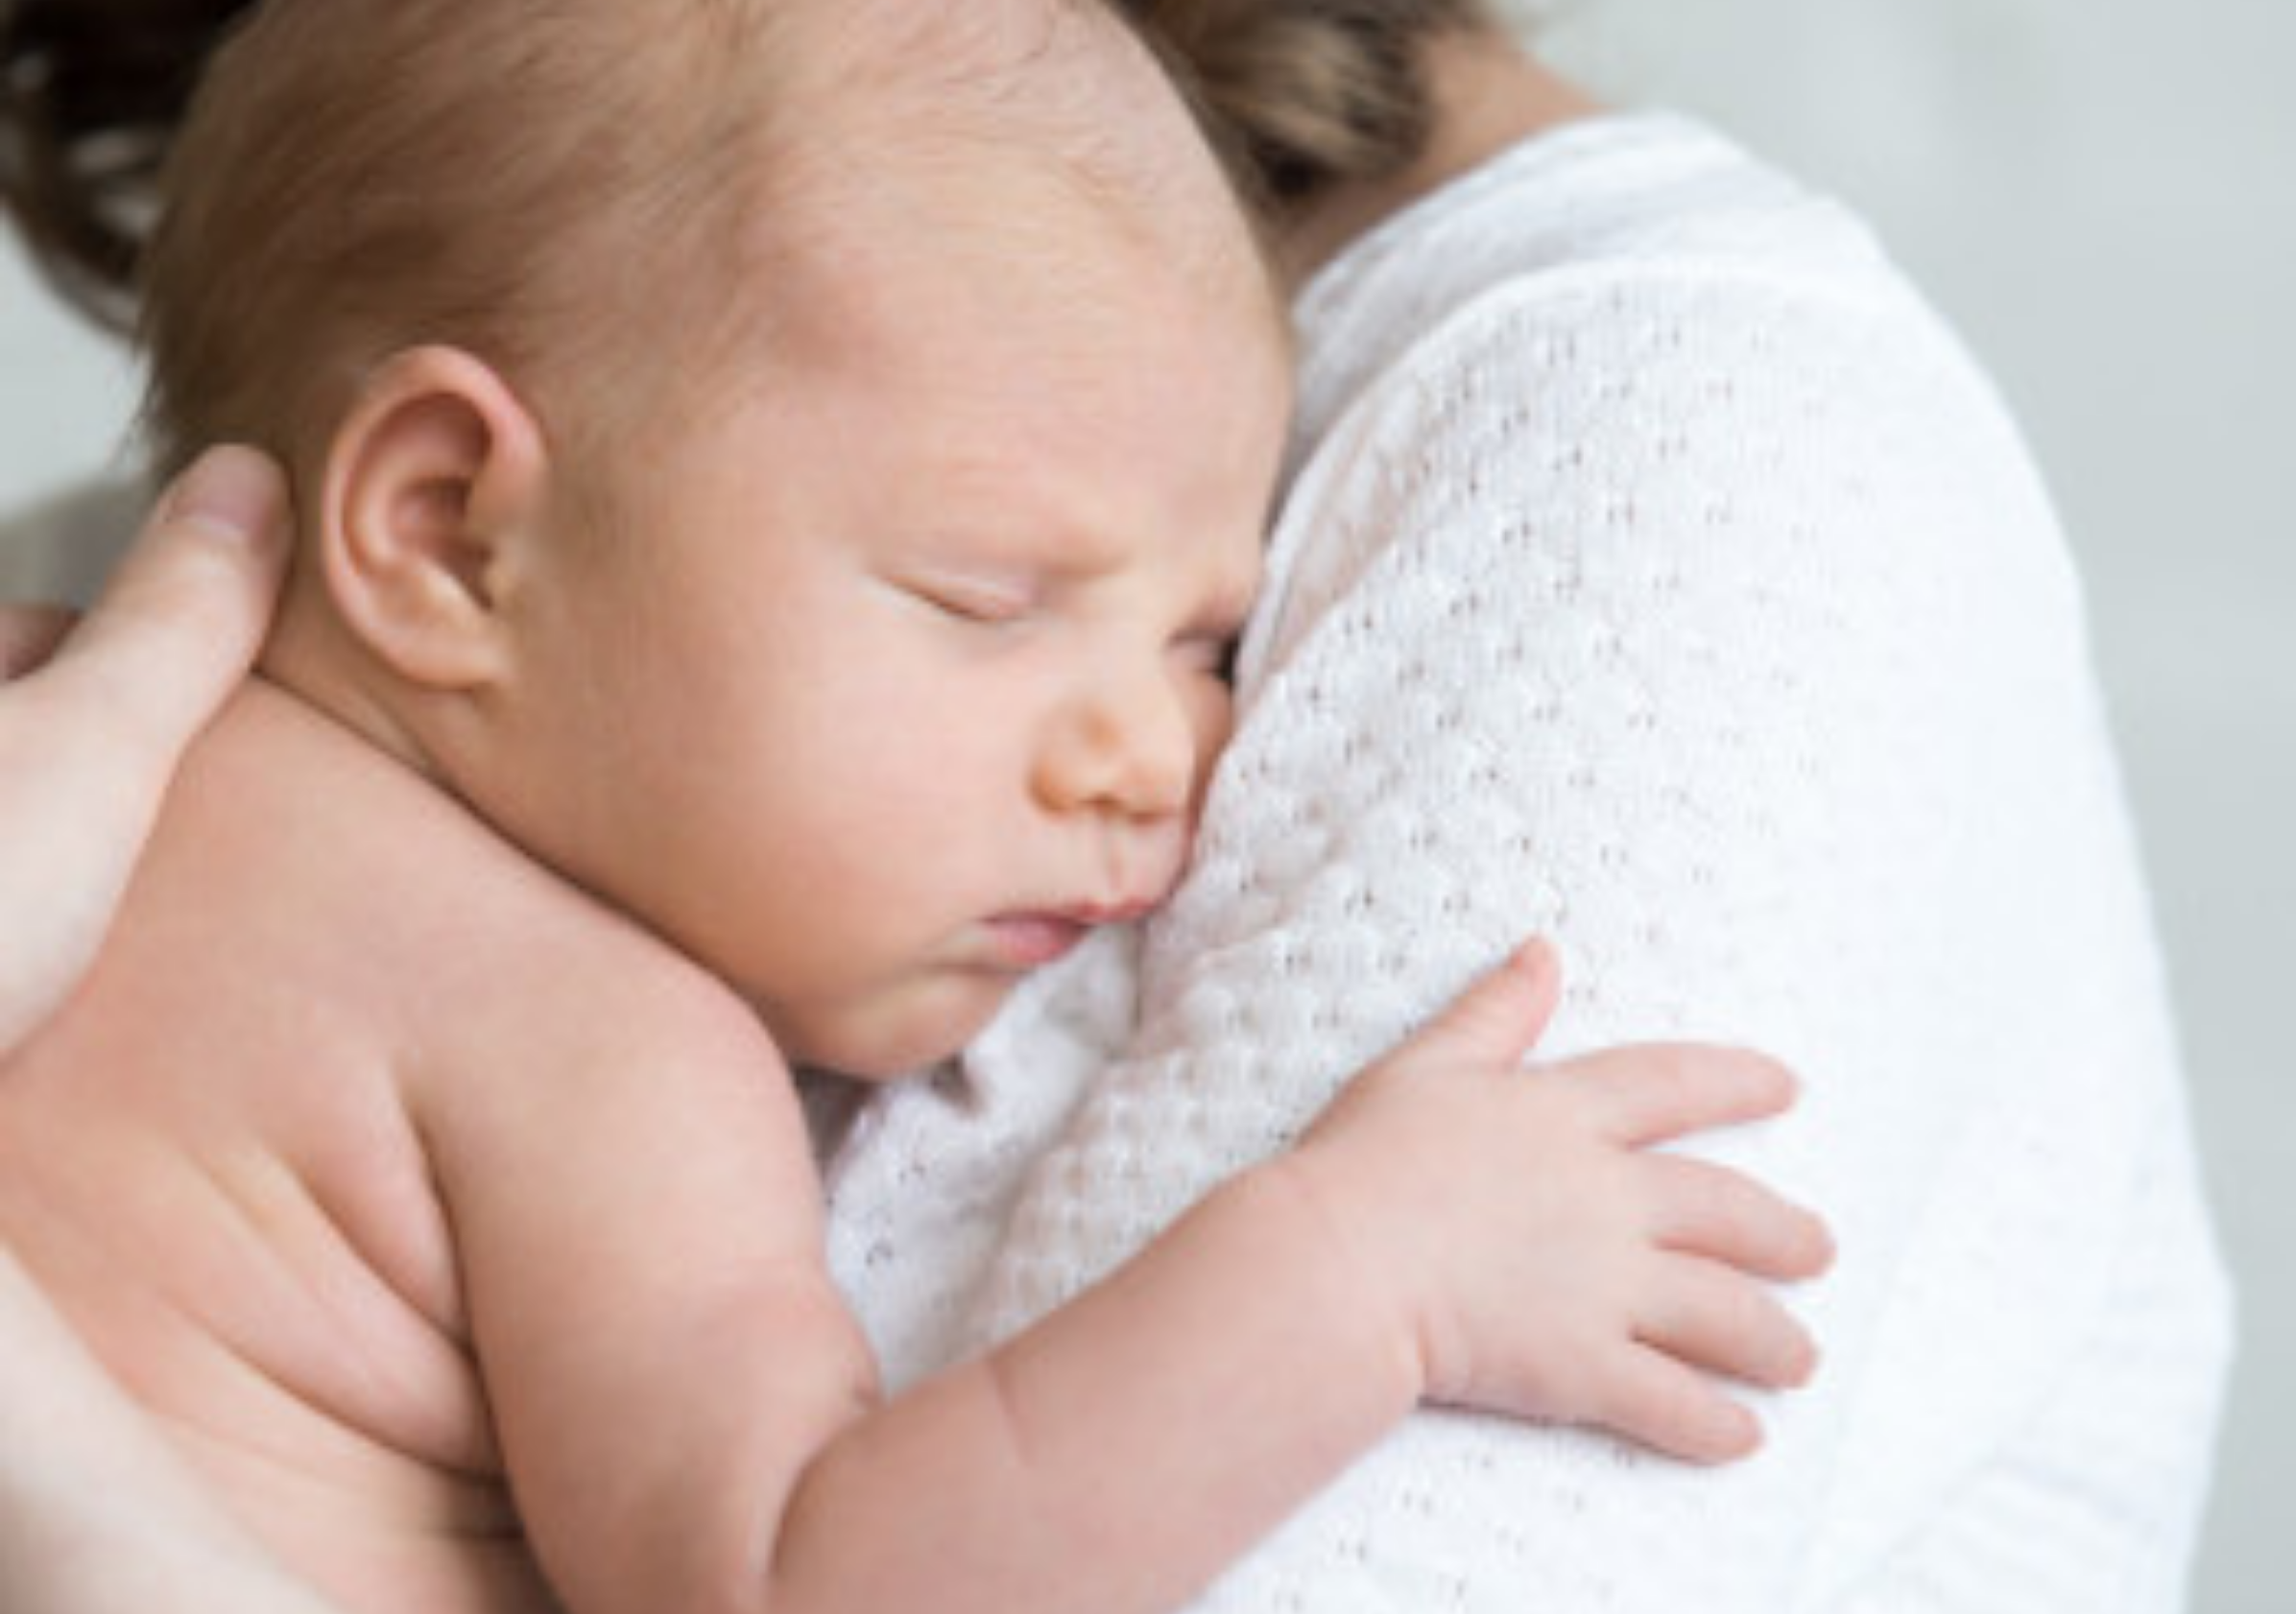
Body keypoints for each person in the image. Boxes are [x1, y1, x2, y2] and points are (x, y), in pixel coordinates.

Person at [1, 0, 2237, 1609]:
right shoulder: (572, 1031)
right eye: (986, 599)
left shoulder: (71, 726)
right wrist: (1354, 1270)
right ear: (448, 524)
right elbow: (803, 1579)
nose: (1157, 757)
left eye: (1202, 643)